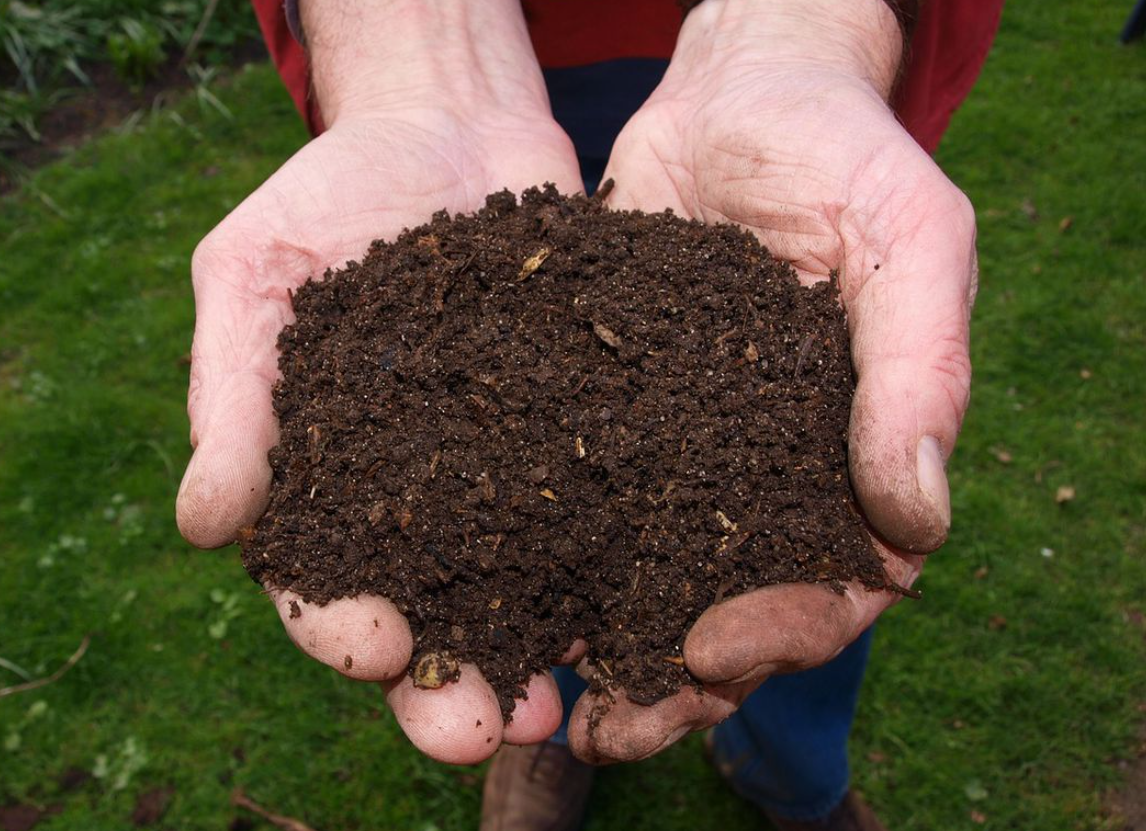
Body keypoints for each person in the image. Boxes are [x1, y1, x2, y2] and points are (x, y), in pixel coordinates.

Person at [176, 1, 1002, 828]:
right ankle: (545, 721)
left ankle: (792, 773)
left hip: (786, 45)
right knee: (559, 585)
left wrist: (806, 34)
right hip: (523, 54)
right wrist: (418, 50)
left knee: (807, 571)